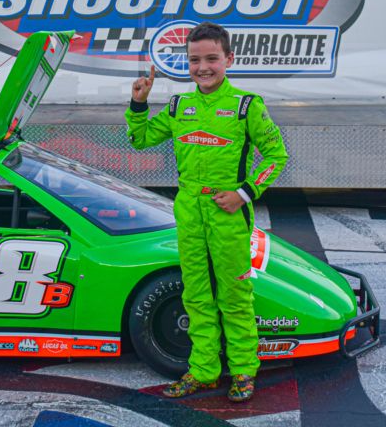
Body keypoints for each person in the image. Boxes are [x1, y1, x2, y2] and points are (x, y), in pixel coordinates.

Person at [124, 22, 289, 402]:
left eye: (212, 58)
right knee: (195, 295)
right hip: (188, 212)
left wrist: (244, 194)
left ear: (228, 59)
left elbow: (277, 156)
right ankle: (203, 371)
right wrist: (138, 104)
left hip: (228, 214)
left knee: (234, 294)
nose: (203, 67)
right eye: (195, 60)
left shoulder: (247, 105)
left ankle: (244, 370)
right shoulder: (180, 105)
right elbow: (140, 140)